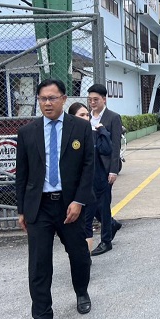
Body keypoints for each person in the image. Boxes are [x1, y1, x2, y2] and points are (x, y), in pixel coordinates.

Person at [15, 79, 94, 319]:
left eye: (52, 98)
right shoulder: (27, 132)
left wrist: (78, 201)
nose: (47, 103)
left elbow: (88, 167)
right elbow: (22, 174)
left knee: (79, 255)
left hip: (69, 204)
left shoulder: (80, 128)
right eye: (43, 99)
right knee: (39, 264)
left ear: (63, 98)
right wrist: (21, 209)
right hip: (39, 207)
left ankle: (81, 291)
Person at [68, 102, 112, 253]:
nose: (86, 117)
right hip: (81, 184)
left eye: (87, 115)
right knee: (86, 219)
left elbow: (106, 149)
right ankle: (83, 254)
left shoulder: (94, 133)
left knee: (103, 212)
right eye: (81, 115)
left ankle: (106, 241)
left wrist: (102, 131)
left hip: (99, 180)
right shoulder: (68, 137)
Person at [86, 83, 123, 256]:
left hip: (105, 168)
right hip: (89, 168)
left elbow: (115, 146)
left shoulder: (112, 117)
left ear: (104, 99)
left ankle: (106, 241)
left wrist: (113, 170)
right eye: (90, 100)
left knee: (103, 204)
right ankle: (112, 224)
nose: (92, 103)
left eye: (96, 100)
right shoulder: (87, 118)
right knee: (92, 204)